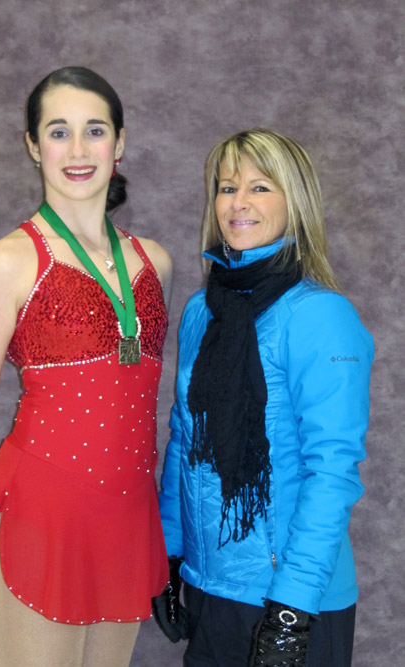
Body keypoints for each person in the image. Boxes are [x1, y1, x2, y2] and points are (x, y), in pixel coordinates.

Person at [0, 66, 173, 667]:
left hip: (128, 517)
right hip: (37, 518)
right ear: (32, 145)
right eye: (58, 131)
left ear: (120, 143)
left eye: (94, 131)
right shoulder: (7, 262)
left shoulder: (154, 262)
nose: (78, 150)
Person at [154, 129, 373, 666]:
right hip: (208, 587)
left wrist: (291, 611)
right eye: (227, 188)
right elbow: (185, 441)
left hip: (289, 602)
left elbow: (333, 470)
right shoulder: (202, 312)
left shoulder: (321, 316)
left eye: (260, 187)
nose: (239, 203)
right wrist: (165, 553)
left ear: (294, 201)